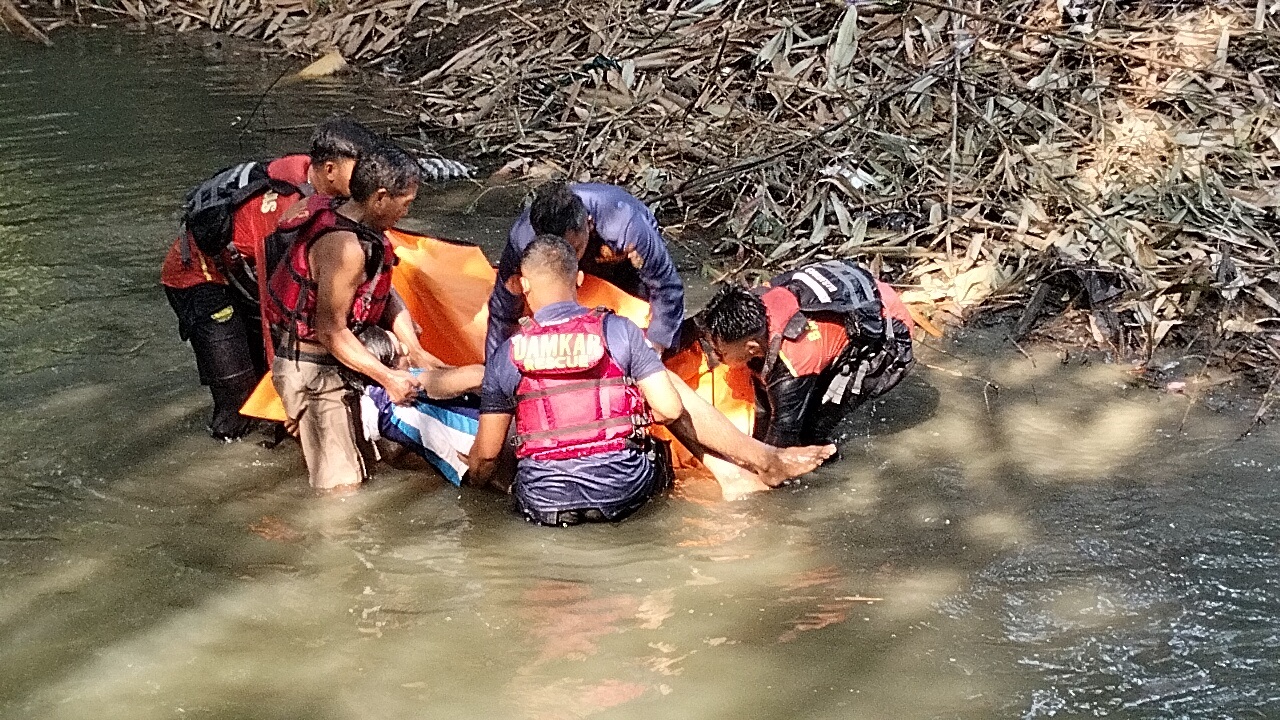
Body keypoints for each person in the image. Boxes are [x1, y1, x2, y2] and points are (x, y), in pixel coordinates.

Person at [265, 142, 484, 491]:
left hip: (347, 363)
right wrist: (389, 378)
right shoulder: (344, 248)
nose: (407, 211)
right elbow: (331, 331)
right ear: (380, 197)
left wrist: (413, 348)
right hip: (316, 372)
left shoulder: (363, 228)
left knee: (366, 472)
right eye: (406, 202)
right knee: (341, 488)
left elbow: (383, 291)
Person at [160, 115, 377, 439]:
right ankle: (227, 455)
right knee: (238, 392)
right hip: (197, 278)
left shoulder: (317, 184)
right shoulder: (281, 210)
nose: (367, 180)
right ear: (329, 170)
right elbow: (273, 309)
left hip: (240, 273)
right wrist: (287, 383)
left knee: (268, 379)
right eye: (359, 171)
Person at [470, 235, 685, 525]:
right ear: (580, 278)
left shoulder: (507, 353)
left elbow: (486, 455)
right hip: (623, 492)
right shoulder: (620, 330)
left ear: (524, 285)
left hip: (545, 502)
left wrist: (474, 489)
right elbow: (671, 410)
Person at [700, 259, 916, 448]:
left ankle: (828, 467)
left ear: (752, 348)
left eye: (719, 352)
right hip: (859, 299)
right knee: (770, 408)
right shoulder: (758, 298)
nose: (714, 356)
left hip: (890, 335)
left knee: (807, 434)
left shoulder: (793, 364)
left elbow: (780, 445)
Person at [486, 182, 685, 359]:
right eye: (557, 251)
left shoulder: (627, 227)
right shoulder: (523, 239)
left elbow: (667, 286)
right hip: (554, 268)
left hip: (623, 267)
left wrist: (654, 351)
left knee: (648, 326)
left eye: (573, 249)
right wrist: (494, 368)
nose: (568, 260)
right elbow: (503, 310)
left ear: (588, 224)